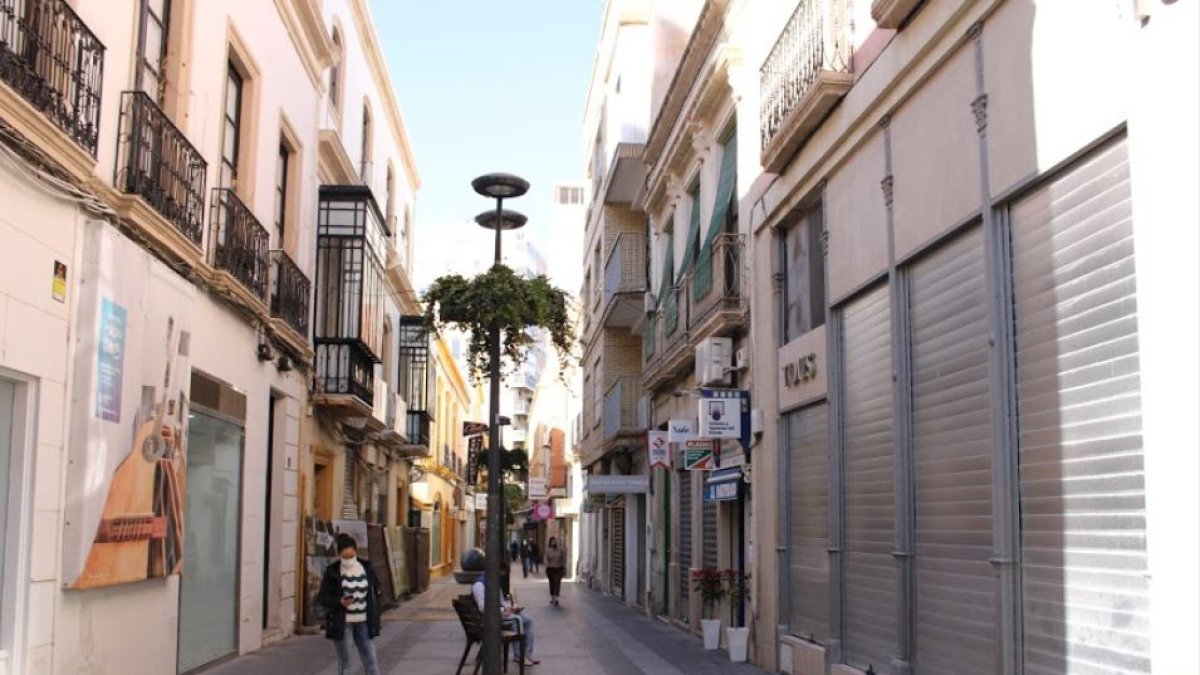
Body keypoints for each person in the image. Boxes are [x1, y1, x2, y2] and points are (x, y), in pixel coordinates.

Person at [318, 533, 383, 675]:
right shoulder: (333, 572)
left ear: (356, 551)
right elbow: (323, 598)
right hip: (343, 623)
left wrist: (376, 613)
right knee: (346, 663)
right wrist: (339, 601)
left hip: (364, 622)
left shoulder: (366, 568)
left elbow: (375, 591)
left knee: (371, 660)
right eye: (345, 557)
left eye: (351, 556)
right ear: (339, 554)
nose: (348, 560)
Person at [473, 568, 539, 666]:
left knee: (528, 620)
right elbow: (483, 608)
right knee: (517, 620)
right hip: (489, 619)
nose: (501, 577)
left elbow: (502, 602)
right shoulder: (479, 585)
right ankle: (518, 656)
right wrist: (504, 610)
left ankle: (527, 654)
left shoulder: (495, 583)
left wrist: (511, 608)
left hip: (501, 615)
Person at [544, 536, 567, 606]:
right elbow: (545, 558)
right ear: (550, 542)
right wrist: (547, 564)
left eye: (555, 541)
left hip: (559, 569)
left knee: (557, 582)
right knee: (552, 583)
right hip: (551, 569)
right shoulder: (548, 550)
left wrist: (564, 567)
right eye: (553, 541)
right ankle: (553, 597)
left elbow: (564, 559)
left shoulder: (561, 550)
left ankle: (556, 598)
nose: (555, 542)